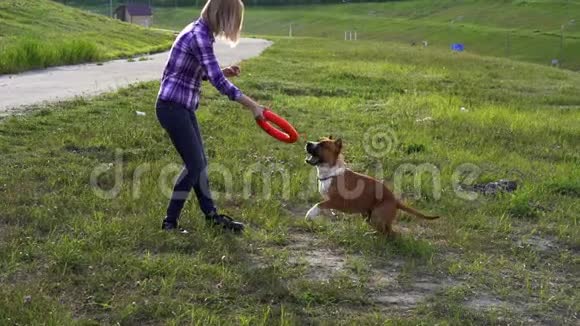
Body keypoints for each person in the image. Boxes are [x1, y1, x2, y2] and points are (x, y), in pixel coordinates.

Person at [156, 0, 264, 233]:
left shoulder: (199, 31)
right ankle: (169, 223)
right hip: (172, 107)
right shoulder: (200, 36)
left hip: (180, 106)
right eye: (234, 19)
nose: (234, 25)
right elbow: (219, 83)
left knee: (200, 164)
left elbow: (196, 71)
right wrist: (253, 106)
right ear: (223, 15)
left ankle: (211, 216)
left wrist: (222, 71)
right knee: (194, 164)